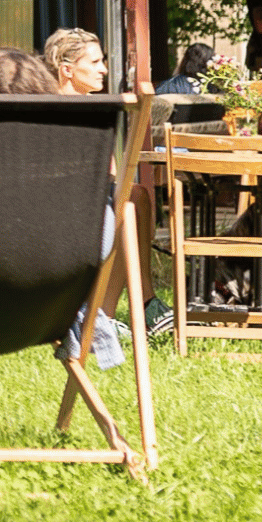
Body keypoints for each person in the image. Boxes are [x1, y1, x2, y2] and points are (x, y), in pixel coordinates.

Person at [43, 28, 170, 337]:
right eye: (96, 62)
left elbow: (109, 174)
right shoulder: (58, 109)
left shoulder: (90, 107)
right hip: (58, 212)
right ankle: (104, 315)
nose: (104, 69)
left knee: (137, 196)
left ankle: (144, 301)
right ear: (67, 70)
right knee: (126, 204)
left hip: (82, 201)